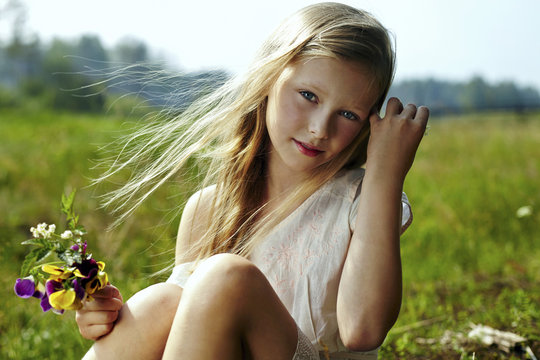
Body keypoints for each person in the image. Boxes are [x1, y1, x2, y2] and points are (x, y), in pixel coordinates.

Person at [75, 2, 429, 359]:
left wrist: (385, 174)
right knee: (161, 301)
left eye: (348, 114)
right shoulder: (208, 209)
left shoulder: (361, 199)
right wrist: (105, 319)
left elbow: (363, 330)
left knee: (227, 277)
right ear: (269, 79)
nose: (320, 129)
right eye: (308, 96)